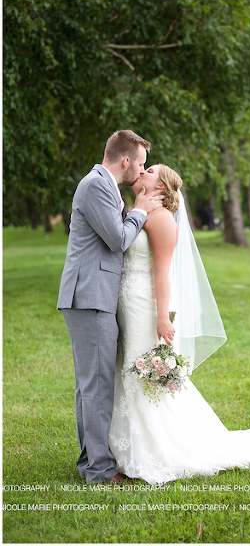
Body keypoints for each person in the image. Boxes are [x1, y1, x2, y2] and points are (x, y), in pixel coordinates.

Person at [108, 164, 250, 485]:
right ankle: (122, 445)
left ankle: (149, 448)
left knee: (141, 372)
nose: (141, 172)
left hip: (145, 308)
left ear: (161, 187)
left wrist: (163, 317)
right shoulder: (138, 212)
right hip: (127, 303)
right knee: (127, 368)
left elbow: (162, 274)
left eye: (149, 171)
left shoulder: (160, 220)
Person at [58, 130, 164, 484]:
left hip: (94, 296)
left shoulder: (106, 186)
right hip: (89, 296)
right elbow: (118, 239)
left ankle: (91, 463)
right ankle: (100, 472)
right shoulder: (96, 185)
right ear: (126, 161)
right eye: (142, 163)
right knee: (97, 385)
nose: (142, 170)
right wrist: (140, 211)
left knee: (92, 384)